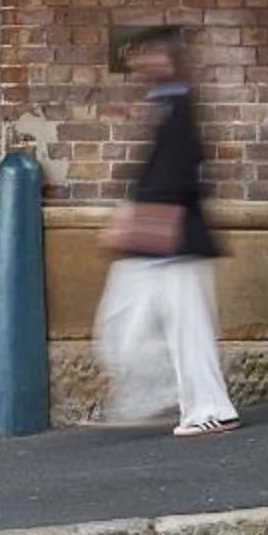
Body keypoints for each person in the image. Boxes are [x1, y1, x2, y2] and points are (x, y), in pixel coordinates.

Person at [92, 27, 240, 438]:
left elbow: (177, 175)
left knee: (176, 331)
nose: (140, 62)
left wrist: (134, 221)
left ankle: (209, 407)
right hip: (168, 243)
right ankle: (184, 401)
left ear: (167, 60)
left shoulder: (178, 105)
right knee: (138, 326)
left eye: (148, 54)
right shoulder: (168, 104)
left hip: (176, 242)